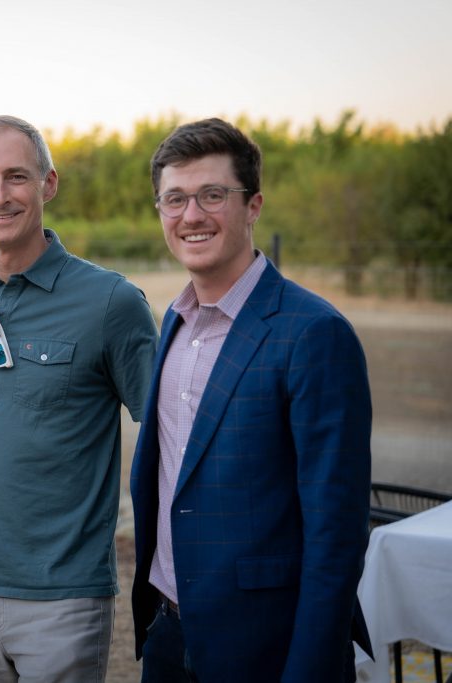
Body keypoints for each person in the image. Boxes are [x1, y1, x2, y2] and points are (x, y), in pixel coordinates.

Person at [130, 118, 373, 682]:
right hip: (168, 636)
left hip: (266, 643)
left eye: (213, 195)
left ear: (253, 204)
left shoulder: (313, 333)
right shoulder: (174, 320)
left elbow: (336, 537)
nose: (191, 215)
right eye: (174, 199)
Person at [0, 115, 158, 682]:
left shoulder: (111, 301)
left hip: (62, 597)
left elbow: (170, 435)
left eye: (16, 176)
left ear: (48, 184)